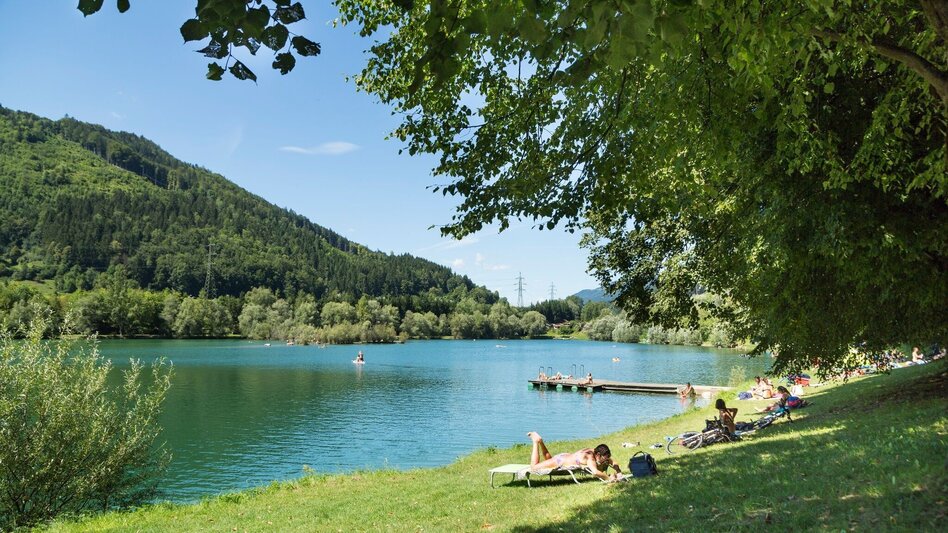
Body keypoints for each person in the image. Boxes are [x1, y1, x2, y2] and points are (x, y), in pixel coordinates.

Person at [525, 432, 621, 482]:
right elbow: (595, 472)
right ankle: (536, 441)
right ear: (598, 455)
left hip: (565, 456)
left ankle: (541, 442)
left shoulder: (595, 450)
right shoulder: (590, 457)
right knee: (534, 467)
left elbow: (612, 462)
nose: (605, 461)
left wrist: (619, 472)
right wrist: (609, 479)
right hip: (560, 461)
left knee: (549, 460)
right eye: (604, 458)